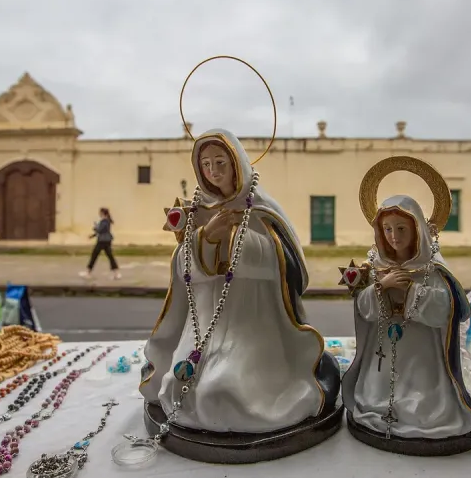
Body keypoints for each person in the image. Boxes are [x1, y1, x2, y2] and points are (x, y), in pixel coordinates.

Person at [139, 128, 340, 434]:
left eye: (221, 162)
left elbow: (288, 266)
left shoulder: (259, 207)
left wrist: (234, 239)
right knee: (179, 389)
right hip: (204, 326)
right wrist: (207, 236)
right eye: (206, 165)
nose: (213, 171)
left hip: (254, 326)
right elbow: (184, 268)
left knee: (224, 395)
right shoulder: (197, 211)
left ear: (237, 163)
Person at [341, 195, 471, 445]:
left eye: (401, 228)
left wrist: (410, 291)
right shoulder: (374, 266)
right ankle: (380, 406)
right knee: (377, 393)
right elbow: (363, 309)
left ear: (417, 229)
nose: (394, 236)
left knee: (425, 403)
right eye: (388, 229)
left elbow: (446, 309)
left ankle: (421, 410)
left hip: (422, 352)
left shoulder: (432, 268)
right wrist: (381, 286)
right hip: (381, 351)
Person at [79, 207, 121, 280]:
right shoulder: (105, 221)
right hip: (106, 240)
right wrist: (92, 236)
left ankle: (88, 272)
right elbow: (101, 231)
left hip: (102, 241)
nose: (99, 214)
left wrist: (95, 227)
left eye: (100, 212)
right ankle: (116, 273)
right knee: (110, 256)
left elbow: (100, 230)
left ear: (103, 213)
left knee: (95, 255)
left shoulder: (105, 221)